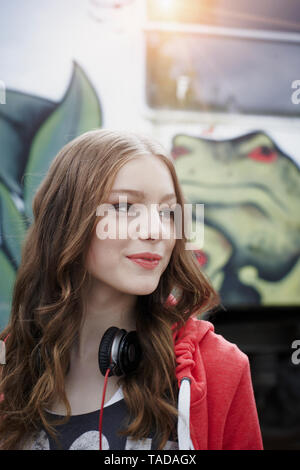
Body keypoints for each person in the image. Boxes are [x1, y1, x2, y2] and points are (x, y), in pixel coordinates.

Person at [0, 129, 263, 450]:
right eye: (124, 207)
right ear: (67, 219)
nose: (155, 230)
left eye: (167, 213)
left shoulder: (219, 367)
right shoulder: (10, 365)